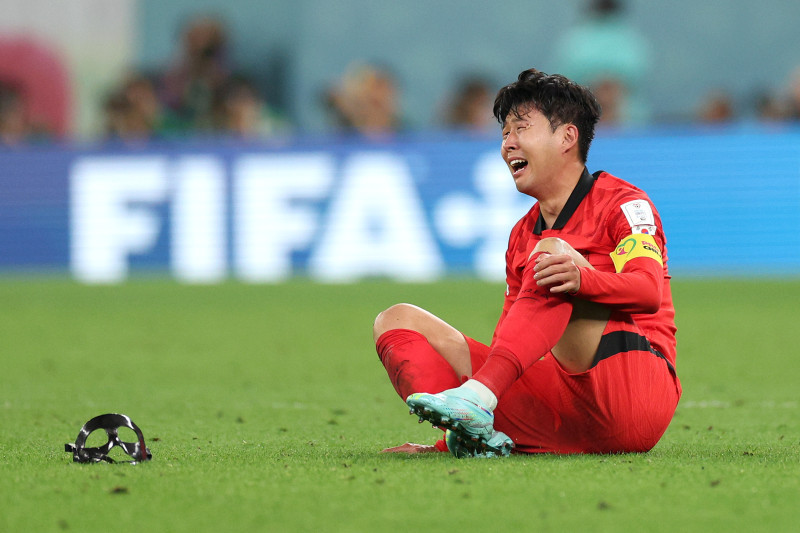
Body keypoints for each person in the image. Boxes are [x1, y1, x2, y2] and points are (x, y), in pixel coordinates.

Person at [374, 68, 680, 457]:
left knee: (552, 254)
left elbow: (649, 291)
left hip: (633, 394)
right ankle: (467, 435)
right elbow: (510, 342)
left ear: (567, 137)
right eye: (504, 134)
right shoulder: (521, 234)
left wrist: (583, 279)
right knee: (397, 320)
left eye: (521, 129)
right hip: (561, 408)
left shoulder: (624, 204)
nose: (508, 145)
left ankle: (477, 401)